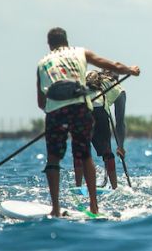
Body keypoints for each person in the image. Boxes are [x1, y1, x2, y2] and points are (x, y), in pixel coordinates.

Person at [36, 27, 140, 217]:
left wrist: (56, 114)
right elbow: (112, 64)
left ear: (49, 45)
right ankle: (94, 206)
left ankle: (56, 209)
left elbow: (41, 102)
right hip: (82, 108)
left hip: (55, 110)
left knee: (53, 159)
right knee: (85, 155)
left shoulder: (43, 63)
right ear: (67, 41)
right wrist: (130, 70)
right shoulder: (81, 53)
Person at [75, 70, 128, 190]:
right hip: (99, 112)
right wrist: (120, 146)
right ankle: (114, 188)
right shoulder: (118, 87)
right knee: (107, 153)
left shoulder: (87, 74)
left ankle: (77, 187)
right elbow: (120, 122)